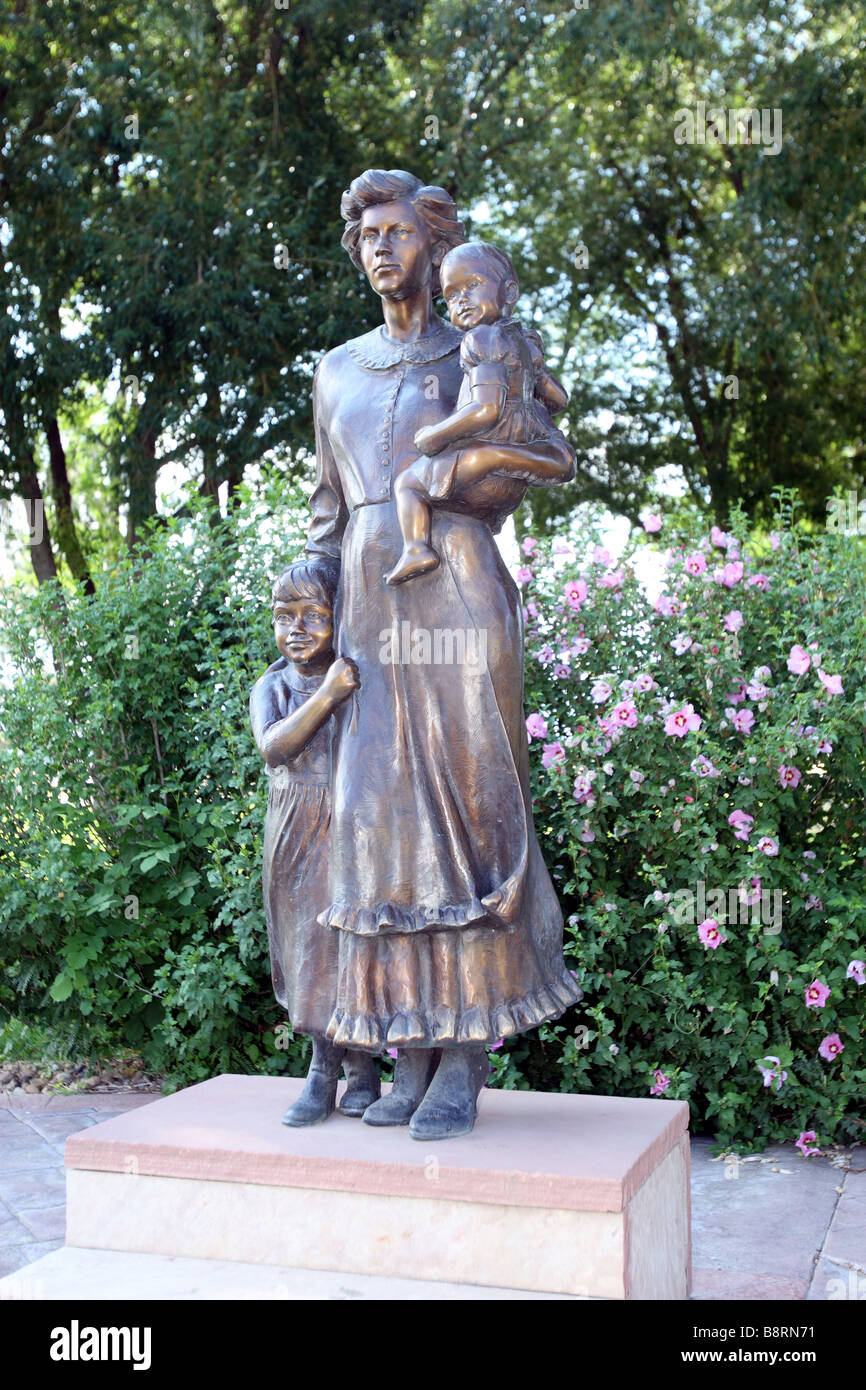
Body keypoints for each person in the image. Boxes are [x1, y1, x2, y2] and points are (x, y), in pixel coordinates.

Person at [306, 169, 583, 1140]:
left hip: (457, 593)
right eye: (366, 236)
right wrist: (302, 605)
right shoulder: (334, 369)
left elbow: (534, 452)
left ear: (431, 243)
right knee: (382, 826)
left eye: (397, 231)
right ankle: (409, 1044)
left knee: (470, 812)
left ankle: (464, 1054)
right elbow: (326, 514)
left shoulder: (473, 350)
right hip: (369, 620)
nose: (381, 248)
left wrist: (470, 479)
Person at [249, 556, 380, 1127]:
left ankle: (365, 1067)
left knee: (351, 944)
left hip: (352, 823)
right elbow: (276, 747)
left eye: (313, 615)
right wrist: (327, 695)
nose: (296, 629)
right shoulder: (274, 685)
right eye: (284, 616)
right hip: (294, 823)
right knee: (305, 947)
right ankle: (321, 1069)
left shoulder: (361, 675)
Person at [386, 240, 570, 585]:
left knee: (408, 483)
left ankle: (416, 548)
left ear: (510, 292)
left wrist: (434, 435)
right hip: (527, 457)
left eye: (472, 286)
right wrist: (531, 393)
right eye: (451, 295)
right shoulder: (527, 343)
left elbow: (485, 410)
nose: (461, 300)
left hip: (484, 455)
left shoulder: (481, 340)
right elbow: (558, 400)